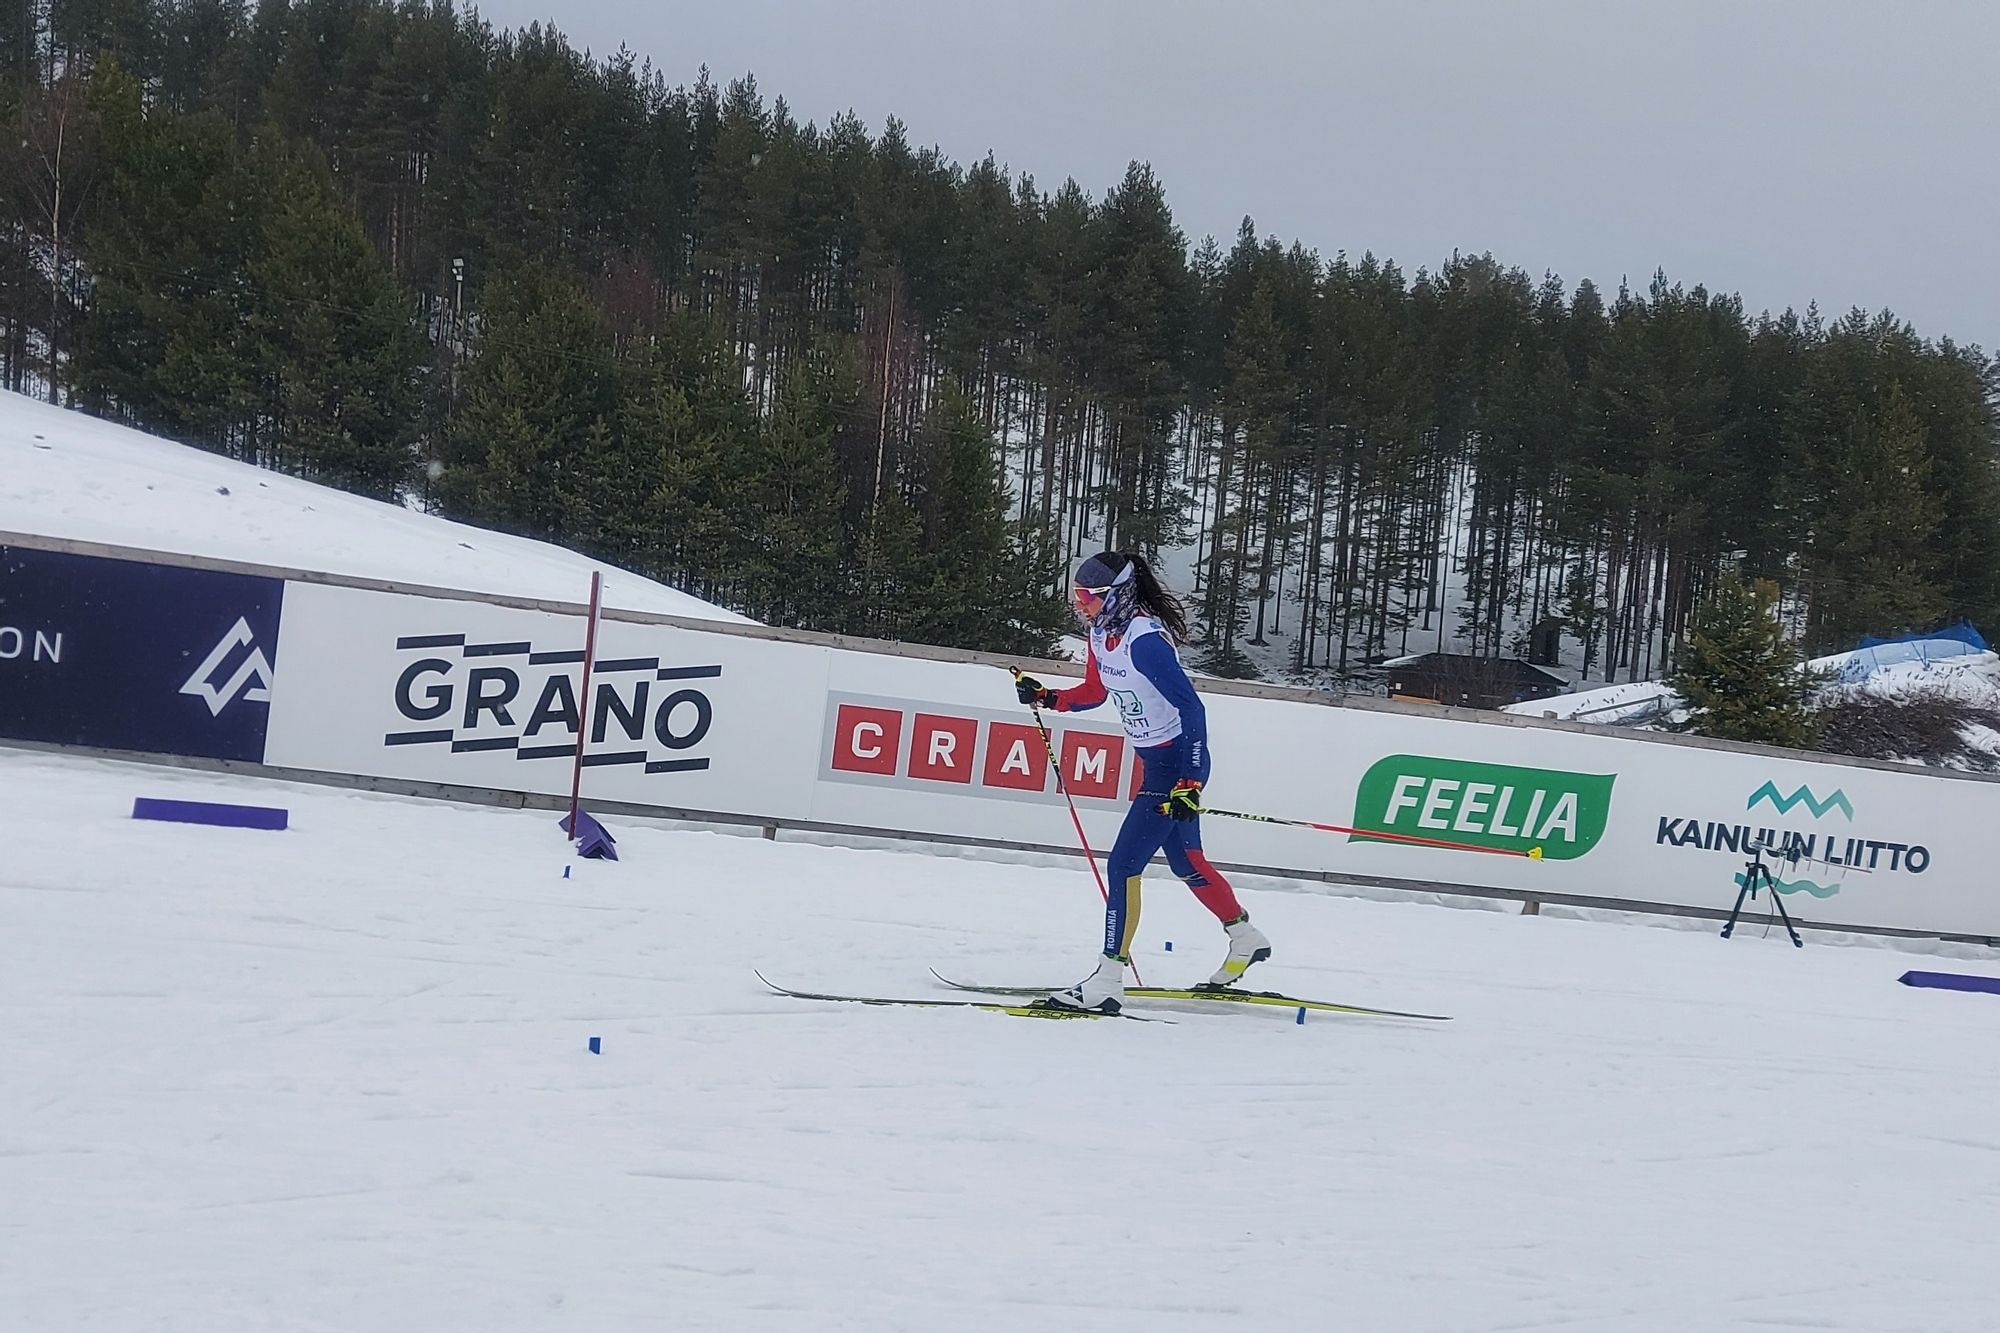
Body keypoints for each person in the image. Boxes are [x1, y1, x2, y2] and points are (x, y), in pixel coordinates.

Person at [1015, 551, 1272, 1013]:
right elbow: (1095, 692)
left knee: (1122, 866)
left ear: (1116, 595)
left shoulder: (1144, 641)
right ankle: (1245, 937)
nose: (1081, 605)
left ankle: (1108, 980)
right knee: (1187, 862)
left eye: (1088, 596)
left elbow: (1192, 709)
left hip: (1177, 765)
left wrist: (1190, 781)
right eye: (1076, 595)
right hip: (1156, 765)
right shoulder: (1101, 633)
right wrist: (1050, 697)